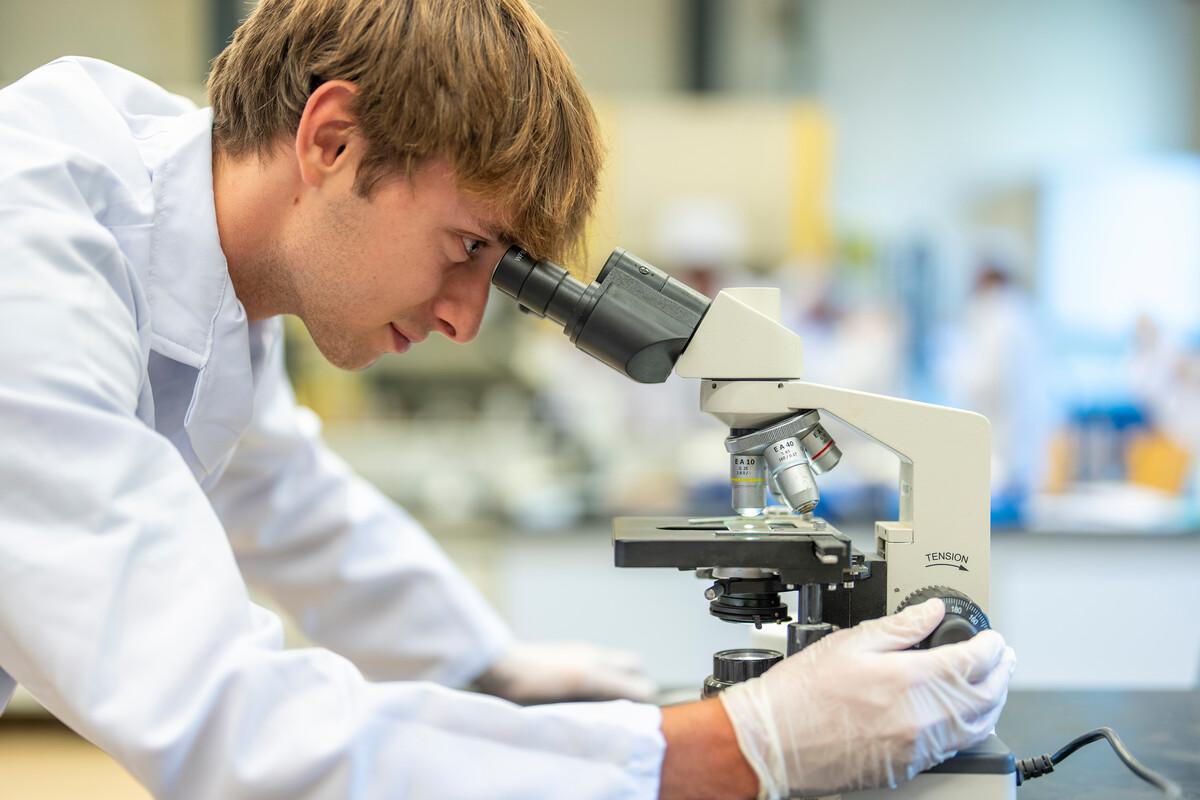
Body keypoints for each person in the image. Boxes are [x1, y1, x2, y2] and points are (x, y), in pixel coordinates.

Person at [0, 1, 1015, 797]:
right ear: (332, 140)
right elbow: (228, 726)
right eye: (467, 248)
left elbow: (290, 497)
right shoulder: (31, 258)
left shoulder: (211, 266)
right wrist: (730, 747)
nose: (462, 319)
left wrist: (489, 662)